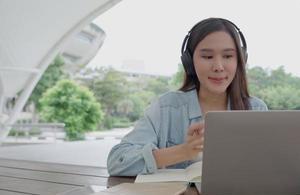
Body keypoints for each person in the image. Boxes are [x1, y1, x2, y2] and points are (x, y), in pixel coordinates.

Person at [107, 17, 268, 176]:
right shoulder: (165, 108)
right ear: (189, 62)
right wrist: (184, 151)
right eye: (207, 56)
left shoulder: (256, 109)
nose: (218, 67)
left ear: (240, 61)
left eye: (227, 56)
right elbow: (117, 162)